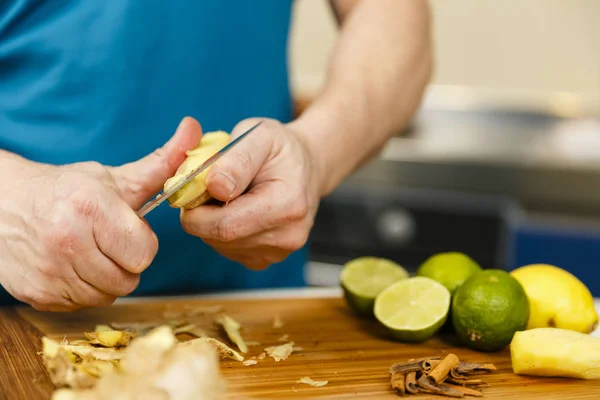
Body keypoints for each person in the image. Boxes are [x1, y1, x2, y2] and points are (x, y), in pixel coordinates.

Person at [0, 1, 432, 311]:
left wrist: (317, 152)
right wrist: (11, 198)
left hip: (254, 317)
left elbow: (391, 14)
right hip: (22, 321)